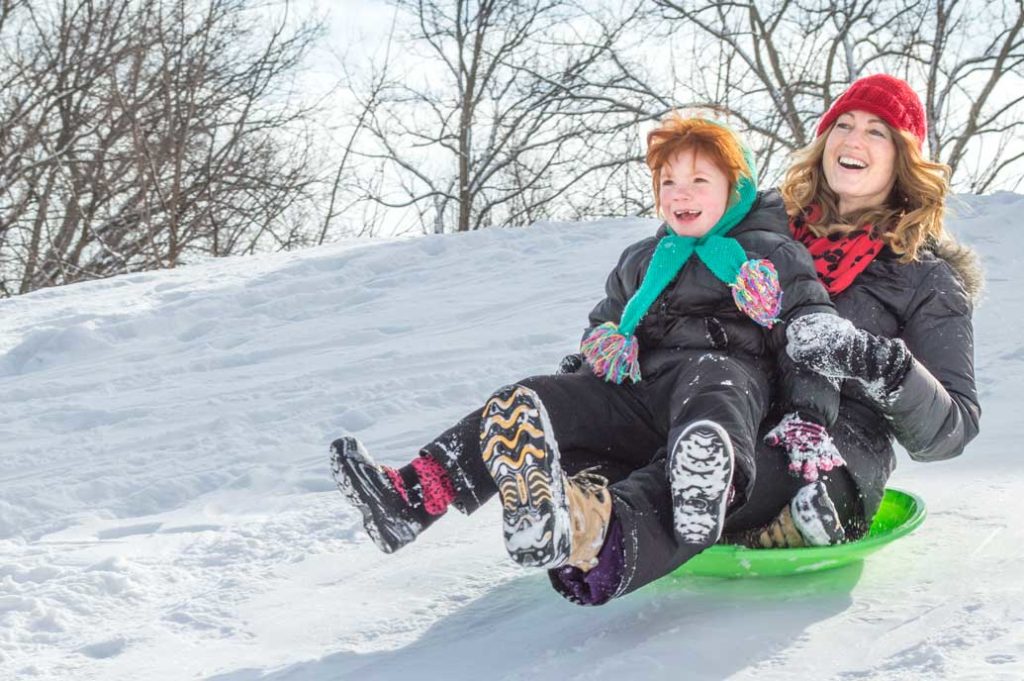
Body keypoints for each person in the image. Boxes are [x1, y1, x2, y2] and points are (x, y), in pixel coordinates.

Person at [330, 116, 845, 599]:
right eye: (668, 183)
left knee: (713, 380)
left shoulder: (769, 255)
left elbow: (810, 336)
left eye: (698, 181)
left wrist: (808, 418)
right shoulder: (642, 261)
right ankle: (411, 498)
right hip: (640, 393)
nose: (680, 193)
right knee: (529, 398)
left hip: (727, 392)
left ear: (736, 188)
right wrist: (579, 379)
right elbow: (604, 328)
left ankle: (703, 488)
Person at [551, 73, 981, 606]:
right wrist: (613, 351)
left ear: (904, 159)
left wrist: (884, 367)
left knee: (729, 464)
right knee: (614, 425)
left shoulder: (925, 278)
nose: (853, 140)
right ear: (824, 142)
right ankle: (575, 499)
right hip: (724, 398)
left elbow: (953, 429)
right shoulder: (757, 222)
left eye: (877, 132)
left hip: (829, 446)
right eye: (842, 124)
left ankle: (613, 539)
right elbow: (668, 282)